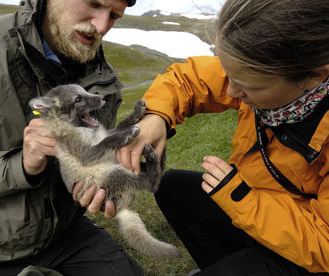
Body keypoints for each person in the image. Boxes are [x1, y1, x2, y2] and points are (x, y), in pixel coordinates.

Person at [116, 0, 329, 275]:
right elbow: (189, 80)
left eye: (249, 87)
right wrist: (155, 116)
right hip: (255, 207)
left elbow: (323, 244)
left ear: (314, 76)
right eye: (228, 74)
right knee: (172, 189)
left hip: (308, 253)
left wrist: (239, 197)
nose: (230, 90)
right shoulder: (260, 67)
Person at [0, 0, 144, 275]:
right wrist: (20, 165)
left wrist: (104, 188)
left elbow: (92, 163)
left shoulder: (103, 78)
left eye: (114, 16)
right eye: (94, 3)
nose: (101, 26)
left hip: (63, 235)